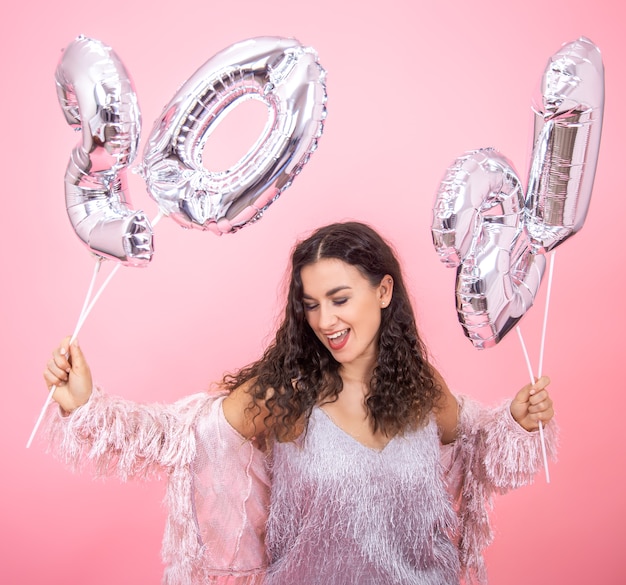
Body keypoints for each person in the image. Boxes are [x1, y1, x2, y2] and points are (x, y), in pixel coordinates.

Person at [43, 221, 556, 585]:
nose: (324, 321)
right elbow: (182, 436)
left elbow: (473, 443)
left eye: (339, 299)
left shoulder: (422, 389)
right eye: (310, 305)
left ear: (383, 291)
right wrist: (86, 403)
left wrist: (517, 420)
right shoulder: (285, 393)